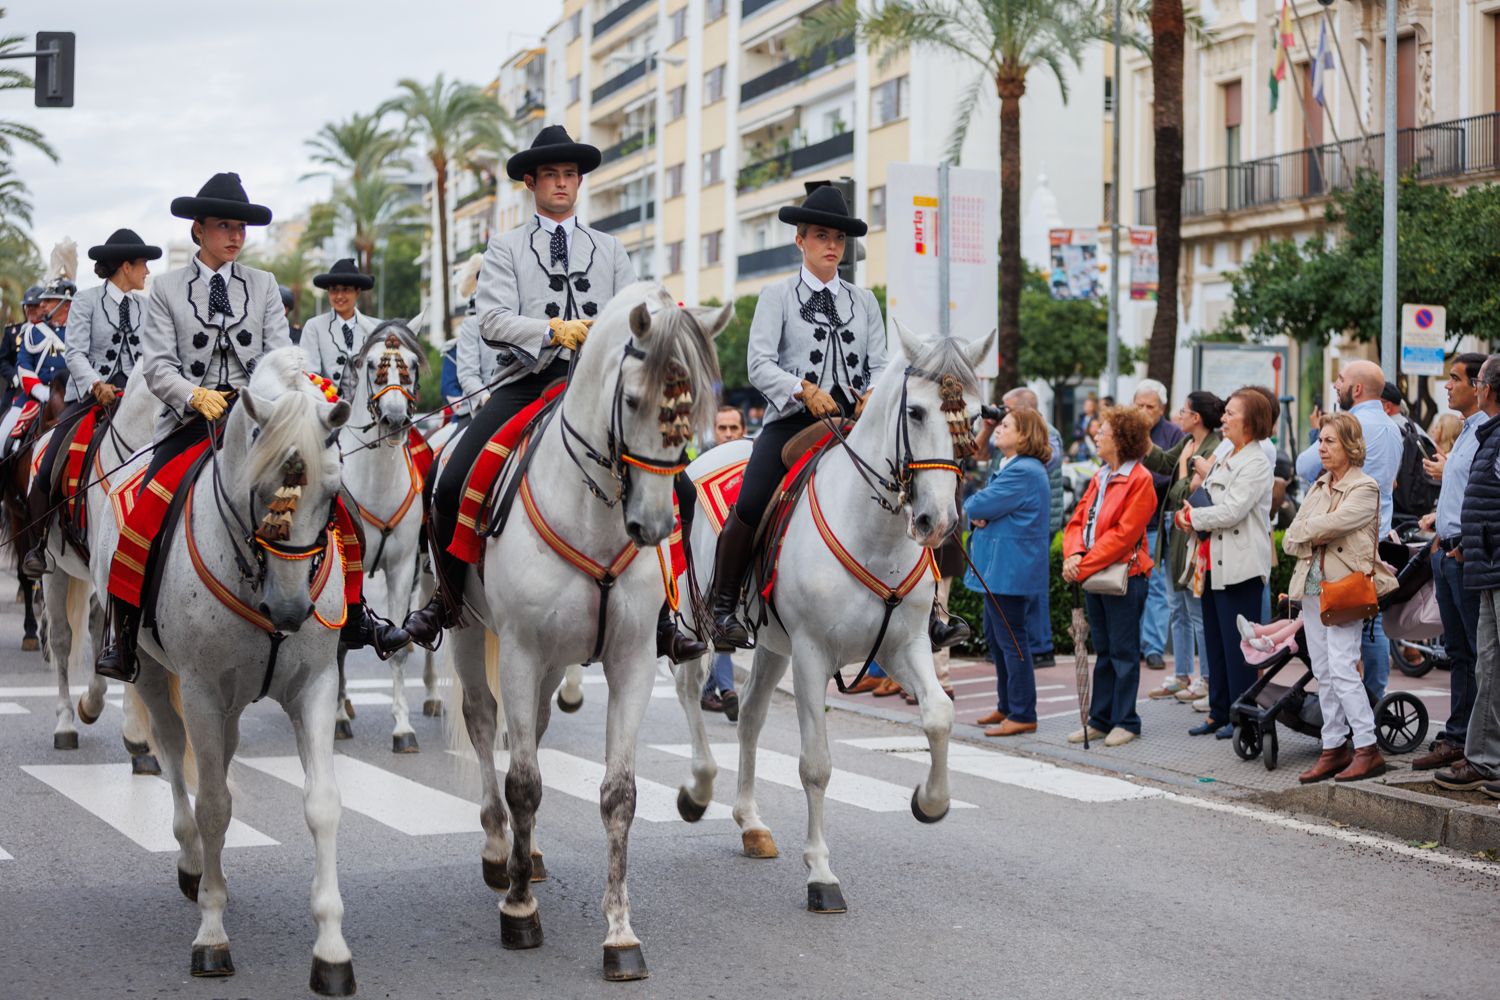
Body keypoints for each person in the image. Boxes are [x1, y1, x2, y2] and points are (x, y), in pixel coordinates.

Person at [96, 172, 407, 682]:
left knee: (338, 501)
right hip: (189, 426)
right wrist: (192, 395)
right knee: (142, 509)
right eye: (224, 226)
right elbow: (155, 365)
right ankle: (124, 632)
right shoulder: (166, 289)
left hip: (261, 428)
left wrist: (294, 401)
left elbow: (282, 356)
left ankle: (354, 614)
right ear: (198, 230)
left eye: (240, 226)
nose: (235, 235)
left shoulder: (262, 285)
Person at [400, 127, 682, 654]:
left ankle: (669, 615)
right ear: (531, 182)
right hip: (527, 383)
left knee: (676, 481)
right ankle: (447, 598)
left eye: (569, 175)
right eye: (551, 175)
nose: (561, 183)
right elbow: (491, 320)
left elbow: (634, 316)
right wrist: (551, 331)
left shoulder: (612, 249)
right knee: (451, 478)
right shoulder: (505, 248)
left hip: (599, 391)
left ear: (579, 183)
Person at [707, 184, 891, 648]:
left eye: (838, 239)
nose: (832, 246)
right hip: (791, 423)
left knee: (909, 484)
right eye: (822, 236)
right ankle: (723, 604)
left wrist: (872, 392)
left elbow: (882, 362)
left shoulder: (864, 301)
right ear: (801, 241)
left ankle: (928, 608)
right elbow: (759, 364)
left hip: (853, 426)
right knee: (750, 502)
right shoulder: (777, 296)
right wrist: (802, 389)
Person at [21, 230, 160, 578]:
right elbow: (76, 352)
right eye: (142, 264)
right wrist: (96, 384)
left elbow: (156, 353)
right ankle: (37, 541)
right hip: (91, 398)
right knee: (51, 454)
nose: (146, 271)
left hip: (138, 399)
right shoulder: (86, 301)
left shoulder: (148, 306)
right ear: (125, 266)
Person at [1281, 413, 1397, 782]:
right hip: (1313, 588)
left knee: (1344, 668)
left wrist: (1308, 531)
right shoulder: (1319, 486)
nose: (1322, 448)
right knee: (1325, 671)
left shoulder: (1365, 487)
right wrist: (1309, 532)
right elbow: (1288, 539)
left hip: (1345, 589)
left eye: (1330, 441)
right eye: (1320, 441)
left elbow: (1334, 524)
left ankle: (1367, 747)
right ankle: (1333, 747)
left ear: (1350, 445)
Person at [1175, 387, 1275, 740]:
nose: (1224, 418)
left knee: (1238, 648)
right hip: (1213, 560)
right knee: (1215, 643)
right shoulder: (1227, 453)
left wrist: (1194, 517)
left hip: (1240, 564)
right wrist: (1192, 512)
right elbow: (1209, 493)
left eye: (1231, 413)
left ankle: (1242, 716)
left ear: (1251, 421)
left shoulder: (1256, 461)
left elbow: (1233, 510)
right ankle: (1219, 712)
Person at [1296, 360, 1400, 699]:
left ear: (1356, 389)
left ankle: (1352, 710)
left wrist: (1319, 437)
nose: (1336, 385)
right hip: (1378, 534)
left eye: (1340, 380)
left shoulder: (1351, 425)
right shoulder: (1393, 426)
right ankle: (1374, 695)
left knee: (1339, 644)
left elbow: (1304, 465)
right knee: (1368, 617)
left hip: (1344, 541)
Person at [1062, 405, 1157, 747]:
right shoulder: (1101, 475)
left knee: (1123, 650)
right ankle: (1100, 719)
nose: (1096, 435)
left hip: (1125, 576)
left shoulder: (1140, 480)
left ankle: (1127, 720)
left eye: (1103, 431)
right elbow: (1077, 519)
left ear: (1120, 439)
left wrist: (1081, 566)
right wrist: (1072, 553)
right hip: (1097, 574)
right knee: (1103, 648)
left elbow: (1123, 536)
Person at [1411, 354, 1488, 771]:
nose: (1447, 386)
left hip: (1465, 556)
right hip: (1448, 552)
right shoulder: (1468, 431)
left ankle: (1475, 745)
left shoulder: (1485, 434)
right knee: (1458, 652)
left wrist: (1462, 544)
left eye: (1455, 379)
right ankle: (1459, 737)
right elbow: (1463, 493)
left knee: (1477, 655)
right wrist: (1441, 530)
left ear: (1480, 386)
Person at [1434, 355, 1500, 796]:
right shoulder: (1484, 434)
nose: (1469, 387)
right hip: (1480, 561)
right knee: (1486, 663)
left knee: (1488, 662)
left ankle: (1483, 758)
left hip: (1489, 563)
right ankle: (1485, 760)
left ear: (1486, 389)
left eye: (1473, 380)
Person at [966, 409, 1051, 736]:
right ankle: (1006, 706)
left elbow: (977, 505)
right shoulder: (1013, 466)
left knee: (1012, 641)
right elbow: (984, 506)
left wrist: (980, 512)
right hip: (1001, 569)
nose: (998, 429)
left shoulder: (1024, 471)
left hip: (1010, 569)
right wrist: (982, 512)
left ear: (1024, 435)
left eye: (1005, 426)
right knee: (997, 638)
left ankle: (1022, 711)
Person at [1141, 391, 1223, 702]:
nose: (1179, 414)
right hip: (1172, 529)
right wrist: (1141, 438)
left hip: (1191, 533)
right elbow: (1162, 462)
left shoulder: (1211, 448)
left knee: (1194, 608)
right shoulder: (1187, 443)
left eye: (1184, 410)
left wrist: (1185, 474)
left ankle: (1206, 678)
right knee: (1177, 608)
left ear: (1196, 417)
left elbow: (1184, 492)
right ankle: (1182, 674)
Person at [1132, 379, 1184, 671]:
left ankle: (1152, 646)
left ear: (1161, 408)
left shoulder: (1173, 434)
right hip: (1130, 523)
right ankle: (1135, 643)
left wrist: (1138, 481)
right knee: (1131, 586)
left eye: (1149, 406)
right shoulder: (1126, 429)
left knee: (1156, 587)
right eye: (1138, 405)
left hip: (1157, 522)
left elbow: (1170, 474)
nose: (1143, 411)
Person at [701, 404, 746, 719]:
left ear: (743, 431)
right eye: (723, 428)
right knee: (713, 625)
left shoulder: (754, 467)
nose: (728, 434)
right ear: (713, 431)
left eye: (734, 428)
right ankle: (722, 689)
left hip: (739, 571)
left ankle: (718, 689)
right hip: (704, 568)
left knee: (722, 627)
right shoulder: (700, 467)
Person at [302, 259, 378, 394]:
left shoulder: (377, 327)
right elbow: (309, 374)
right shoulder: (314, 327)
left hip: (368, 410)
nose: (339, 296)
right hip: (328, 407)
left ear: (357, 291)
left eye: (346, 290)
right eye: (333, 290)